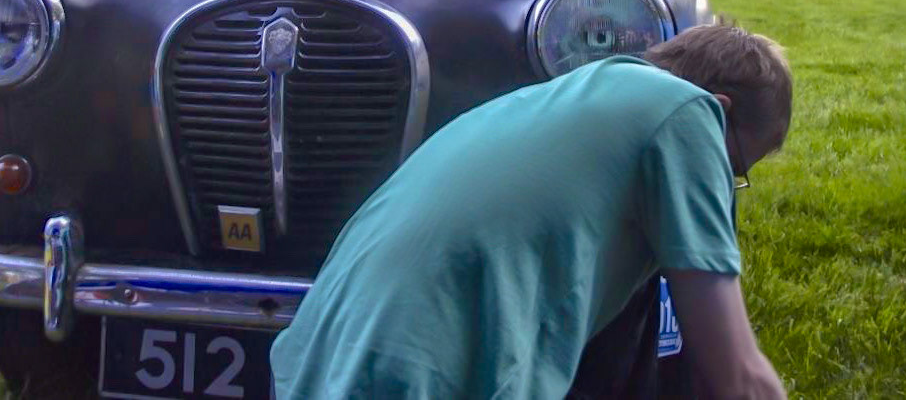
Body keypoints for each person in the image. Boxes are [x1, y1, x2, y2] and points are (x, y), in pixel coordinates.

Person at [270, 23, 792, 399]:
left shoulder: (561, 101)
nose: (728, 185)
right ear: (719, 108)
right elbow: (739, 381)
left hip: (312, 364)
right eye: (737, 166)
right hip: (412, 383)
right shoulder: (685, 113)